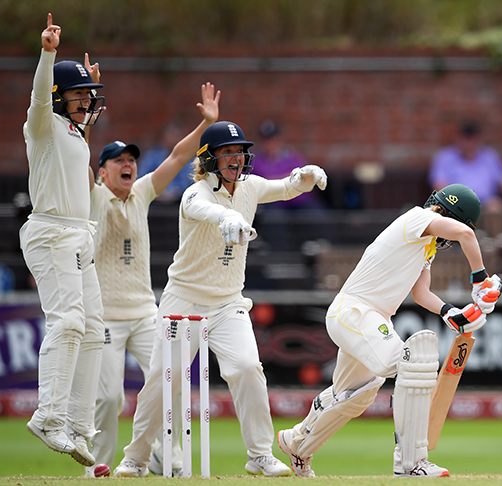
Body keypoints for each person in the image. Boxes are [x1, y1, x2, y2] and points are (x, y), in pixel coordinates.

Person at [113, 121, 328, 478]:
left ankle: (259, 455)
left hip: (228, 302)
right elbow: (204, 209)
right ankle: (135, 458)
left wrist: (304, 176)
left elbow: (286, 187)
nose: (234, 160)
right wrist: (227, 215)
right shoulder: (195, 193)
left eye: (238, 153)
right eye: (226, 153)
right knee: (163, 380)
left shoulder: (250, 187)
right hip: (184, 300)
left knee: (247, 368)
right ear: (209, 159)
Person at [276, 184, 502, 478]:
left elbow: (421, 293)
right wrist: (480, 282)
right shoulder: (417, 219)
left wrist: (452, 313)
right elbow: (467, 234)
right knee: (413, 363)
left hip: (368, 318)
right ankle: (411, 462)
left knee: (357, 395)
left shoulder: (427, 245)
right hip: (356, 312)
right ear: (450, 216)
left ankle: (297, 443)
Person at [84, 82, 220, 477]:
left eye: (131, 159)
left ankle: (165, 454)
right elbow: (79, 160)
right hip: (106, 316)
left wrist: (205, 125)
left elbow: (179, 157)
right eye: (118, 160)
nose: (128, 164)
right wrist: (90, 117)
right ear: (102, 171)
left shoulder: (141, 192)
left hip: (145, 312)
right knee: (109, 398)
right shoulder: (93, 195)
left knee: (171, 382)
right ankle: (101, 464)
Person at [20, 13, 106, 467]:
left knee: (94, 329)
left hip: (79, 234)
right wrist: (48, 53)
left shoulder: (74, 132)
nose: (85, 103)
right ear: (57, 97)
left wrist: (84, 86)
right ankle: (48, 416)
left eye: (87, 97)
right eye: (77, 96)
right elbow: (38, 98)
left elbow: (76, 131)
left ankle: (76, 423)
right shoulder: (43, 126)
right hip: (51, 230)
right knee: (69, 321)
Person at [429, 121, 502, 213]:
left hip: (485, 205)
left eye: (472, 139)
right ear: (458, 139)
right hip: (455, 204)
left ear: (479, 139)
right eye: (466, 139)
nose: (469, 143)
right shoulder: (445, 158)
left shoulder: (490, 157)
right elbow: (439, 186)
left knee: (496, 207)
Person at [137, 122, 195, 203]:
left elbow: (191, 183)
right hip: (152, 202)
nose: (174, 139)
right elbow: (141, 178)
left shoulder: (187, 160)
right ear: (165, 137)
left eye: (177, 135)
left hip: (178, 202)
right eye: (172, 135)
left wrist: (175, 193)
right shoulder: (152, 157)